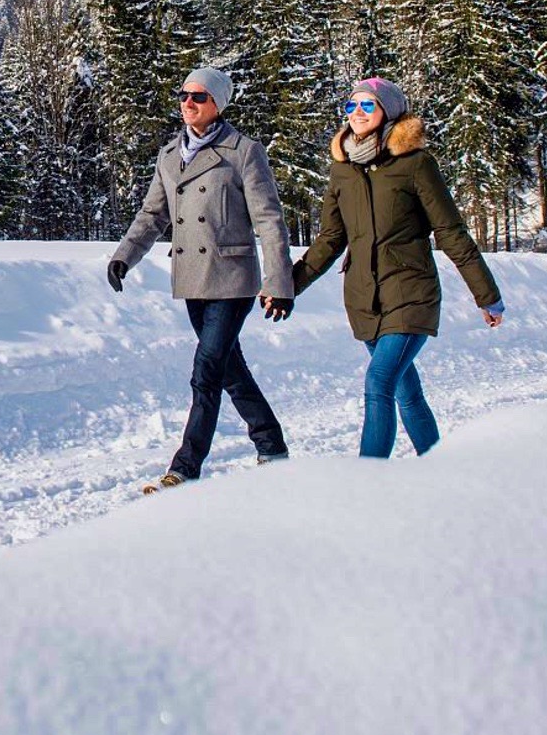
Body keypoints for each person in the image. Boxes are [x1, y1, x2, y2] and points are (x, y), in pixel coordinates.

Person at [290, 77, 504, 459]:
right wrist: (287, 286)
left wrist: (486, 296)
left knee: (379, 381)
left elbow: (451, 232)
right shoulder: (342, 170)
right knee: (407, 392)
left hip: (410, 293)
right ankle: (440, 465)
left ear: (387, 110)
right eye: (351, 106)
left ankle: (368, 481)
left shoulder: (415, 164)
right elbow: (329, 240)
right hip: (364, 299)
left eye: (367, 105)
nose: (357, 113)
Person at [109, 65, 294, 493]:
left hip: (232, 277)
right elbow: (154, 214)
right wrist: (124, 256)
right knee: (229, 369)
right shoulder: (169, 155)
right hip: (192, 277)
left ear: (217, 104)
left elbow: (269, 220)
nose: (188, 103)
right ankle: (271, 444)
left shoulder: (243, 151)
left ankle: (186, 468)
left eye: (199, 96)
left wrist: (278, 282)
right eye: (184, 95)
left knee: (206, 370)